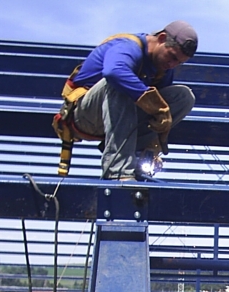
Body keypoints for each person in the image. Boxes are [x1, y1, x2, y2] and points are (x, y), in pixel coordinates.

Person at [55, 21, 198, 180]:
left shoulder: (163, 69)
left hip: (121, 121)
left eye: (179, 62)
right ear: (162, 38)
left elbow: (161, 106)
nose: (172, 64)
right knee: (121, 81)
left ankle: (137, 153)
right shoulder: (128, 46)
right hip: (86, 116)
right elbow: (113, 72)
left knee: (183, 97)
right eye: (172, 56)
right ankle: (118, 172)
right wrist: (153, 104)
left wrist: (155, 138)